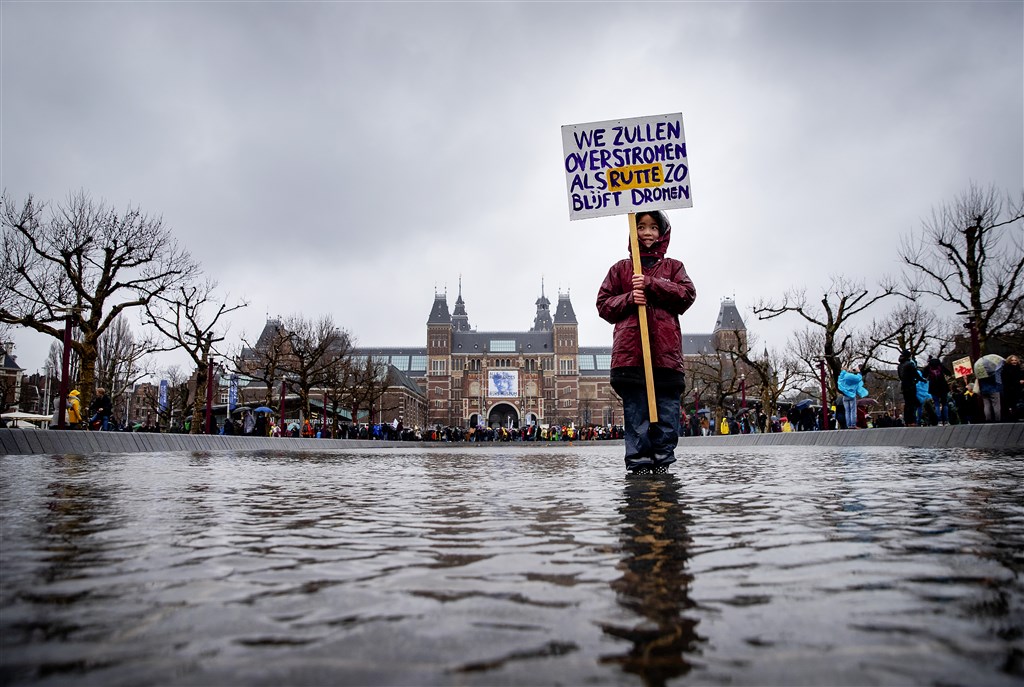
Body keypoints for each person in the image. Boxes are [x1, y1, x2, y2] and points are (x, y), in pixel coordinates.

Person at [596, 210, 697, 474]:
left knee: (667, 414)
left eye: (653, 227)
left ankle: (663, 460)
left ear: (662, 233)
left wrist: (652, 284)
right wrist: (630, 298)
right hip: (631, 357)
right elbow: (603, 306)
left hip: (665, 357)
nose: (647, 233)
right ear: (633, 231)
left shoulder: (673, 267)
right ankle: (639, 463)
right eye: (641, 226)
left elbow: (687, 295)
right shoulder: (620, 270)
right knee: (636, 415)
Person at [898, 350, 925, 426]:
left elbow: (900, 377)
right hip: (910, 386)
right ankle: (912, 420)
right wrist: (922, 380)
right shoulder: (909, 364)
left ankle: (907, 421)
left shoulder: (900, 366)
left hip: (904, 386)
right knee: (912, 404)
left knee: (907, 404)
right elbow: (916, 374)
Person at [837, 364, 868, 429]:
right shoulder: (847, 375)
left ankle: (849, 425)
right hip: (851, 395)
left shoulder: (840, 377)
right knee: (853, 410)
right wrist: (858, 371)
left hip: (845, 396)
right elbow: (858, 378)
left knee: (847, 411)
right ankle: (853, 424)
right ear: (846, 370)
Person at [925, 358, 951, 426]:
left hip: (933, 388)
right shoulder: (941, 366)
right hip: (943, 387)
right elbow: (949, 373)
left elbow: (924, 375)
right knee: (945, 404)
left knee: (936, 404)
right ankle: (946, 420)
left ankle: (939, 421)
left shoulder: (928, 368)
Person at [1001, 354, 1021, 422]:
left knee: (1015, 403)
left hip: (1016, 389)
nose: (1014, 361)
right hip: (1009, 389)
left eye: (1015, 360)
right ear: (1009, 361)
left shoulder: (1018, 368)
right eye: (1012, 360)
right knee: (1010, 403)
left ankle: (1014, 416)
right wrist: (1018, 382)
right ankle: (1010, 416)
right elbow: (1007, 380)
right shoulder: (1006, 369)